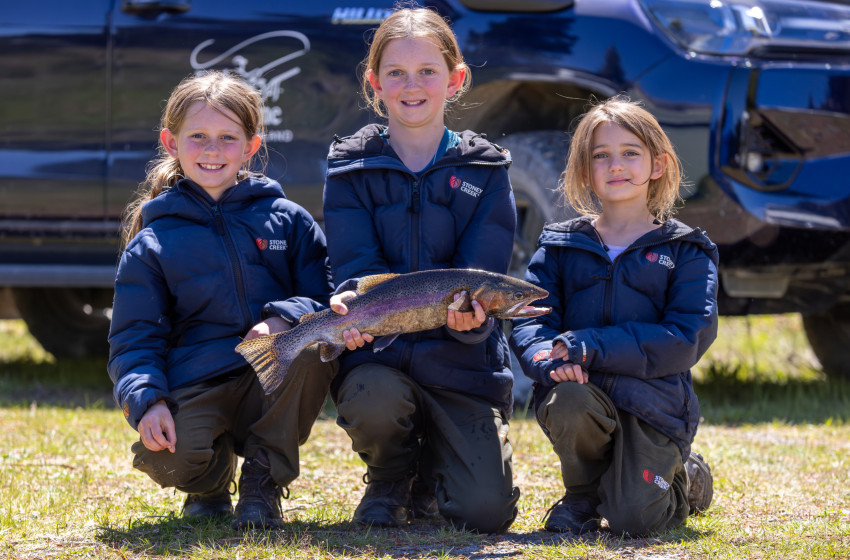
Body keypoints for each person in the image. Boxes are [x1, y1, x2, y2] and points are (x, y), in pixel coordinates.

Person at [107, 71, 337, 531]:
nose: (212, 151)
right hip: (197, 383)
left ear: (251, 146)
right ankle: (209, 481)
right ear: (170, 143)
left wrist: (281, 319)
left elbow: (327, 298)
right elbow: (134, 339)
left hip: (271, 380)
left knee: (310, 346)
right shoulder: (152, 242)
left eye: (228, 138)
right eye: (198, 137)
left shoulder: (289, 221)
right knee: (168, 460)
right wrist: (147, 401)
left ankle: (262, 483)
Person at [321, 7, 520, 534]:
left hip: (461, 366)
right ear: (375, 83)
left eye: (428, 71)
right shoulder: (349, 167)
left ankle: (431, 474)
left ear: (455, 80)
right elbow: (356, 270)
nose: (413, 86)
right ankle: (390, 476)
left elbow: (484, 277)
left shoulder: (487, 170)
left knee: (484, 514)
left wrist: (475, 323)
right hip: (379, 362)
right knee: (373, 396)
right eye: (397, 73)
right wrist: (348, 306)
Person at [509, 96, 718, 536]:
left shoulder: (687, 251)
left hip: (653, 408)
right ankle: (581, 496)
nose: (615, 165)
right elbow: (530, 318)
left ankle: (688, 477)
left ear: (657, 165)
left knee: (634, 520)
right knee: (567, 400)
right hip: (582, 397)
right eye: (601, 156)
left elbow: (686, 336)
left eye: (630, 153)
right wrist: (548, 355)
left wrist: (589, 345)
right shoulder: (561, 245)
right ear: (585, 171)